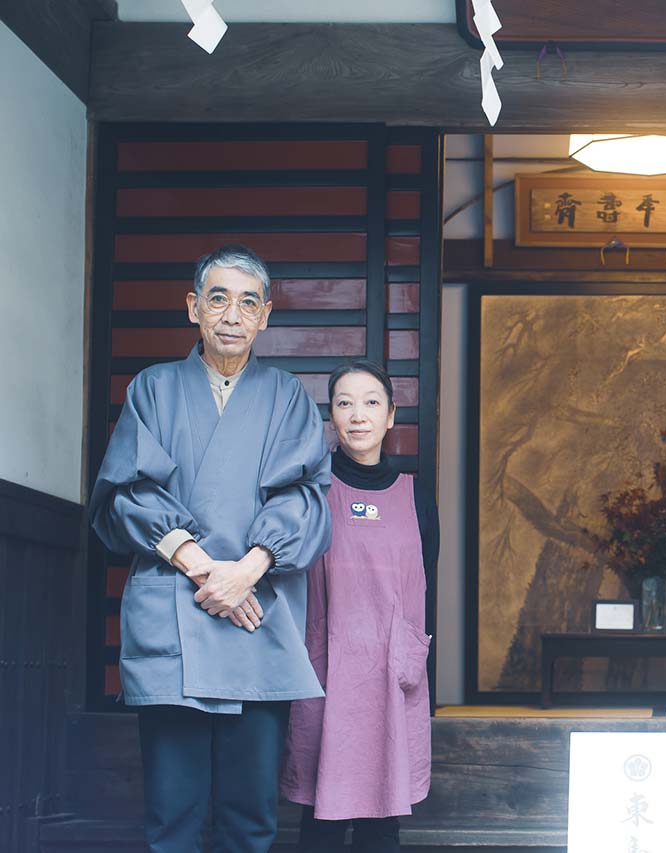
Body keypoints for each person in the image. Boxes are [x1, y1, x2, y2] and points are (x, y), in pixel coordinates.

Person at [89, 244, 332, 853]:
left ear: (265, 316)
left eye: (248, 302)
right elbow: (128, 489)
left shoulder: (287, 396)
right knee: (172, 813)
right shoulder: (154, 388)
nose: (232, 315)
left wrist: (247, 571)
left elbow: (304, 496)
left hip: (257, 615)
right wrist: (205, 571)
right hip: (175, 610)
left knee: (250, 816)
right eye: (218, 298)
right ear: (193, 307)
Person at [281, 359, 439, 852]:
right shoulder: (312, 491)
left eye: (371, 402)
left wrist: (411, 656)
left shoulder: (416, 496)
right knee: (321, 818)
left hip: (392, 675)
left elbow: (424, 587)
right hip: (324, 672)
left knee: (383, 821)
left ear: (390, 416)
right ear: (332, 416)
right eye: (344, 403)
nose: (358, 414)